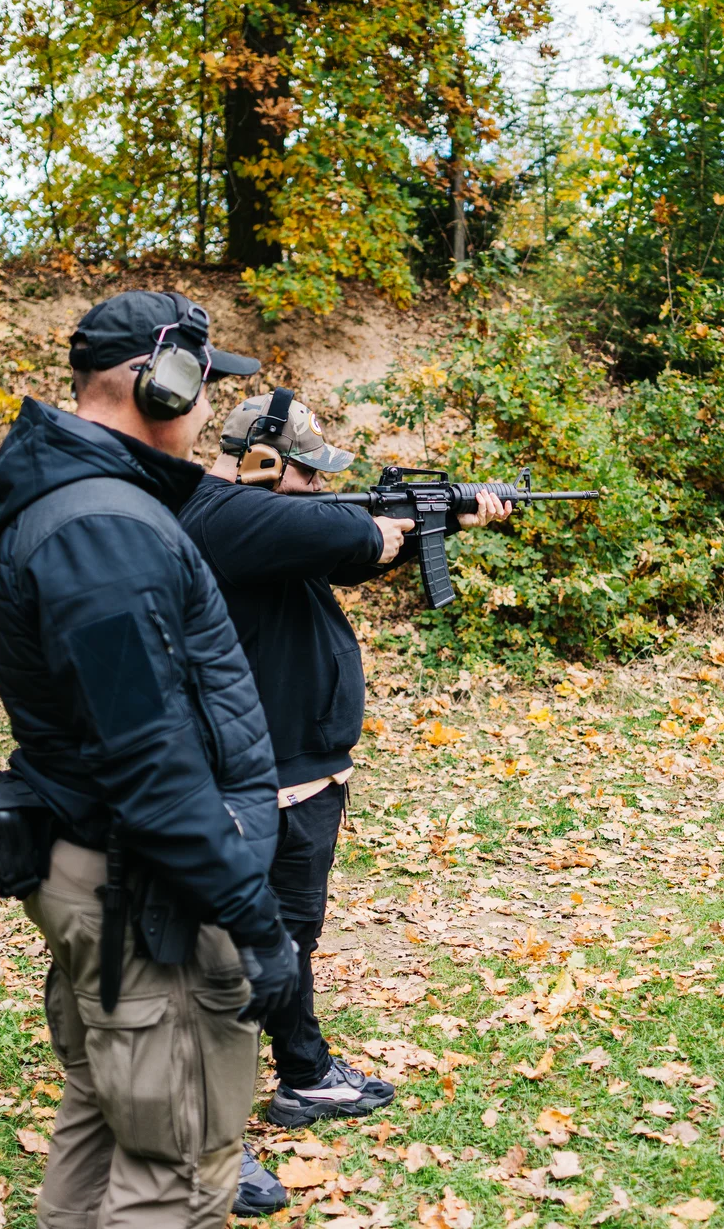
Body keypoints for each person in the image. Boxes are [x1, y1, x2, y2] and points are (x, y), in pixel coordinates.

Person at [0, 290, 299, 1229]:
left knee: (109, 1116)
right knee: (182, 1165)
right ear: (157, 381)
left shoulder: (84, 505)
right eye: (200, 386)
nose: (205, 413)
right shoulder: (103, 530)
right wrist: (254, 921)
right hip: (146, 890)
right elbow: (151, 758)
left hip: (112, 868)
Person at [177, 389, 510, 1215]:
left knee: (292, 936)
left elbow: (345, 549)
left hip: (304, 772)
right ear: (260, 460)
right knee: (223, 965)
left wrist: (443, 519)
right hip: (242, 785)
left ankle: (303, 1074)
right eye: (306, 473)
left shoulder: (270, 527)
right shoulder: (216, 514)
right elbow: (339, 533)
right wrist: (392, 523)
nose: (321, 489)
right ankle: (206, 1142)